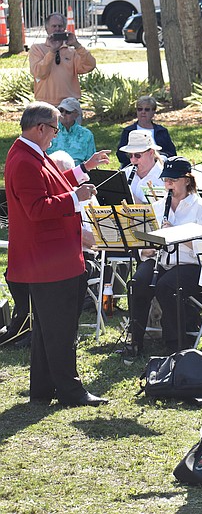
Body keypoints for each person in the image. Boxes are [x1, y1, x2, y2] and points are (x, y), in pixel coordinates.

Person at [6, 101, 110, 406]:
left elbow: (54, 184)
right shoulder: (25, 160)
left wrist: (84, 169)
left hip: (51, 259)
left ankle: (42, 388)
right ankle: (70, 391)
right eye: (53, 128)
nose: (55, 135)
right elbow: (37, 209)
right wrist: (75, 200)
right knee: (60, 329)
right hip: (50, 261)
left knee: (46, 329)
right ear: (40, 128)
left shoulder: (30, 153)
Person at [127, 156, 202, 355]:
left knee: (166, 287)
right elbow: (146, 241)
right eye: (166, 180)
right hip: (160, 259)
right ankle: (135, 341)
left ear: (187, 180)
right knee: (137, 283)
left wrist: (176, 233)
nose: (168, 185)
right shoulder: (158, 207)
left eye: (173, 180)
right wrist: (146, 250)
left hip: (190, 264)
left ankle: (175, 345)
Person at [29, 13, 96, 107]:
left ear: (64, 28)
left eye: (60, 26)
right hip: (46, 104)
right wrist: (52, 51)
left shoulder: (72, 52)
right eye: (54, 26)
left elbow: (90, 65)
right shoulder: (37, 49)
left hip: (69, 104)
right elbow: (39, 73)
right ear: (46, 29)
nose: (57, 29)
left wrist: (77, 45)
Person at [117, 95, 176, 167]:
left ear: (153, 111)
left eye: (147, 109)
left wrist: (160, 157)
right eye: (140, 109)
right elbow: (120, 155)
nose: (143, 112)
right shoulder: (129, 131)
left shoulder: (162, 131)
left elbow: (172, 154)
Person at [45, 97, 95, 166]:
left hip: (78, 172)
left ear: (76, 114)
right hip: (53, 171)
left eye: (68, 112)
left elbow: (91, 161)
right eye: (61, 110)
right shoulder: (50, 130)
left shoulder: (86, 135)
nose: (63, 114)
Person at [119, 130, 164, 204]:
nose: (133, 160)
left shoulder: (164, 178)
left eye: (137, 155)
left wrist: (130, 198)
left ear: (151, 153)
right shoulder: (125, 173)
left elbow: (161, 211)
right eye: (130, 155)